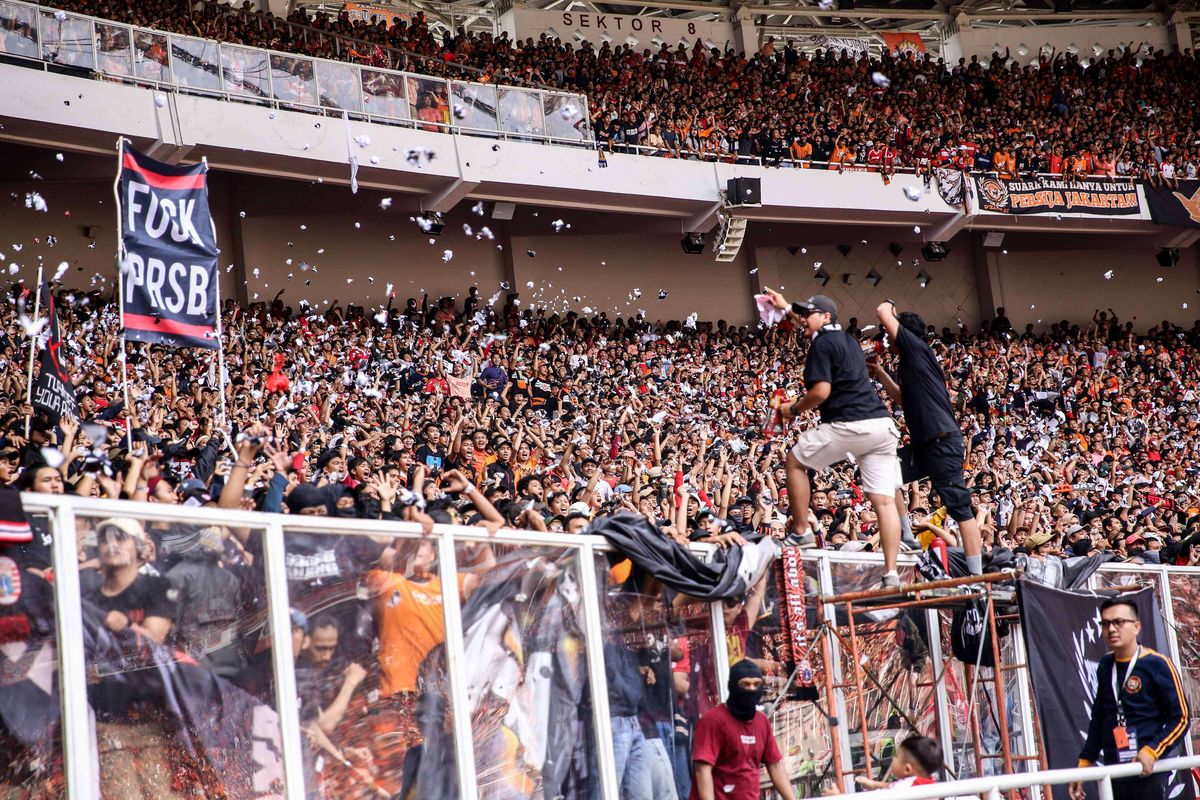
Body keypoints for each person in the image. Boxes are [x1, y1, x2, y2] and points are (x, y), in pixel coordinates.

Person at [764, 290, 904, 588]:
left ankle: (801, 531)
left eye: (808, 315)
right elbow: (810, 319)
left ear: (825, 317)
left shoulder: (822, 344)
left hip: (849, 424)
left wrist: (792, 409)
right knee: (884, 502)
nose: (802, 320)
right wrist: (786, 306)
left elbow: (820, 393)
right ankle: (891, 574)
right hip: (882, 426)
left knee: (794, 462)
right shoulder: (849, 341)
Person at [871, 301, 984, 576]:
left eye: (890, 335)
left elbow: (883, 311)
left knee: (960, 510)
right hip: (924, 446)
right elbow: (905, 401)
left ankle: (979, 577)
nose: (887, 340)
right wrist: (881, 373)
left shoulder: (916, 348)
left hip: (942, 443)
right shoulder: (912, 364)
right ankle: (907, 537)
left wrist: (890, 306)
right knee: (883, 470)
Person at [1069, 598, 1190, 800]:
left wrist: (1152, 751)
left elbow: (1181, 718)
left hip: (1147, 768)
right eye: (1105, 624)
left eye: (1119, 622)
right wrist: (1084, 764)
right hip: (1114, 768)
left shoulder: (1157, 664)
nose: (1112, 629)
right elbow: (1099, 718)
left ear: (1136, 627)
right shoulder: (1106, 665)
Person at [689, 660, 795, 800]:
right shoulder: (712, 722)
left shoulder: (761, 722)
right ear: (732, 686)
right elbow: (702, 770)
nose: (751, 689)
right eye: (745, 684)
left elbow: (775, 765)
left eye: (756, 684)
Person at [855, 734, 941, 789]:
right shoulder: (928, 783)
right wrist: (873, 784)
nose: (893, 759)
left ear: (907, 769)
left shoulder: (902, 788)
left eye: (896, 756)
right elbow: (891, 786)